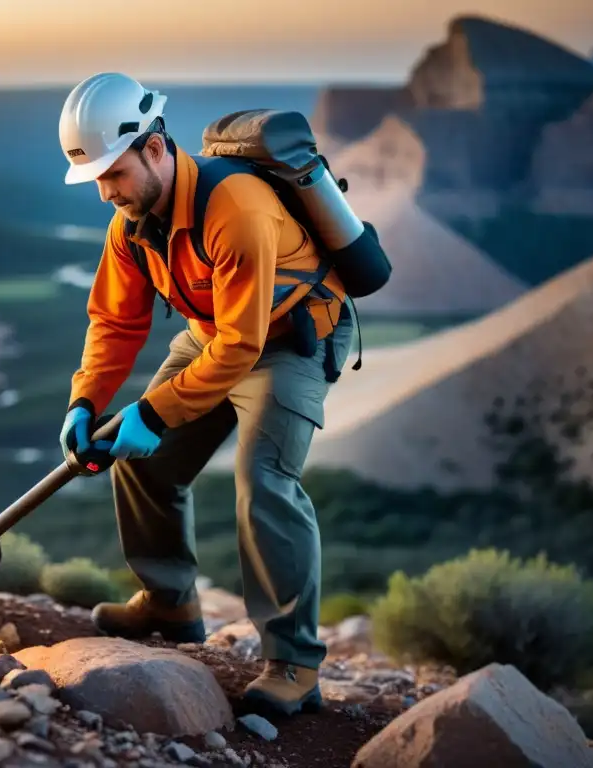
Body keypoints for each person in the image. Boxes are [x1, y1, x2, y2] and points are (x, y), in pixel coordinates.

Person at [56, 72, 355, 717]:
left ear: (155, 148)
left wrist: (155, 410)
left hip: (291, 340)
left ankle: (294, 665)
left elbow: (243, 349)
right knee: (135, 458)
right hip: (214, 335)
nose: (107, 193)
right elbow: (114, 322)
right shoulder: (130, 222)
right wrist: (86, 403)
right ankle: (169, 602)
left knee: (265, 482)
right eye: (98, 181)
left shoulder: (236, 209)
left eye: (114, 174)